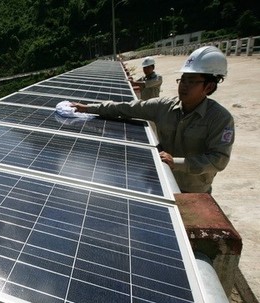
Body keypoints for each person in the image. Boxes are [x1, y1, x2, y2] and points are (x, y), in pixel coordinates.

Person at [71, 46, 234, 194]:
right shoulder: (164, 106)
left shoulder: (220, 119)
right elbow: (127, 108)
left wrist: (175, 162)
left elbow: (218, 160)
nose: (183, 86)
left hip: (192, 190)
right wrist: (88, 108)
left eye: (191, 81)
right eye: (183, 80)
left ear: (209, 87)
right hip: (161, 180)